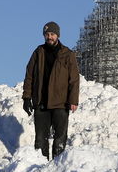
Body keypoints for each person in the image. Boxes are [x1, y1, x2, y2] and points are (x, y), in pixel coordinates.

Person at [22, 21, 80, 159]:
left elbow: (74, 79)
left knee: (60, 138)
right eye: (47, 34)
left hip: (60, 103)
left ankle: (57, 167)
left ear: (58, 35)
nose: (49, 37)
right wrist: (26, 97)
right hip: (41, 102)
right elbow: (29, 75)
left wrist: (73, 100)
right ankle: (40, 167)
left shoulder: (67, 54)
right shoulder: (38, 52)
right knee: (40, 139)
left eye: (52, 34)